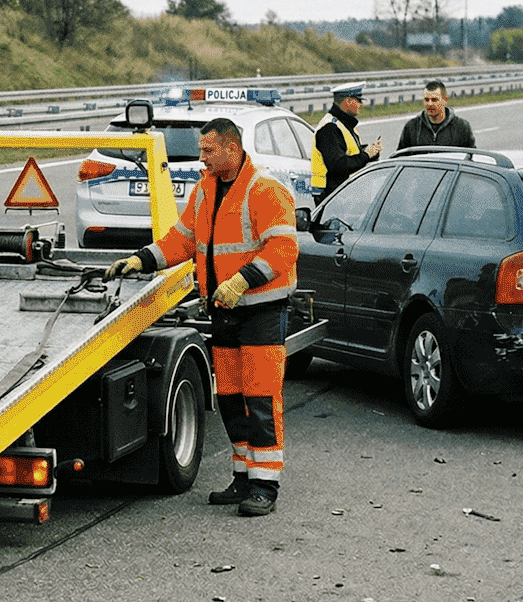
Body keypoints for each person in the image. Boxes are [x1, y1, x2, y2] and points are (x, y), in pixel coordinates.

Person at [108, 119, 299, 516]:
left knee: (260, 398)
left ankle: (265, 485)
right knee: (230, 398)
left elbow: (283, 250)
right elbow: (181, 240)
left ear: (232, 149)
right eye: (202, 150)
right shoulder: (205, 190)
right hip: (225, 311)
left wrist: (241, 281)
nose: (201, 158)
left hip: (261, 312)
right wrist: (140, 260)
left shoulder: (265, 189)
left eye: (208, 150)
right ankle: (244, 476)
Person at [310, 82, 383, 202]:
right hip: (332, 195)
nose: (361, 105)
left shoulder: (344, 125)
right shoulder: (329, 129)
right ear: (348, 101)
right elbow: (339, 165)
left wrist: (371, 152)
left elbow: (352, 153)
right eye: (359, 100)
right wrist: (366, 155)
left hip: (344, 193)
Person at [396, 80, 475, 150]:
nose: (430, 104)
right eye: (427, 100)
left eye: (434, 100)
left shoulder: (462, 127)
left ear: (445, 100)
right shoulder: (412, 127)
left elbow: (471, 157)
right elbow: (401, 156)